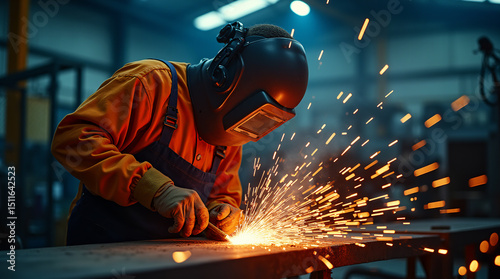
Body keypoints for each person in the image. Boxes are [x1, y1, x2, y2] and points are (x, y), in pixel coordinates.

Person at [51, 22, 308, 245]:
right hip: (99, 254)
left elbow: (224, 193)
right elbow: (73, 140)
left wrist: (224, 212)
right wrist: (154, 189)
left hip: (170, 262)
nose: (249, 130)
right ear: (226, 76)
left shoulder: (233, 128)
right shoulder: (151, 84)